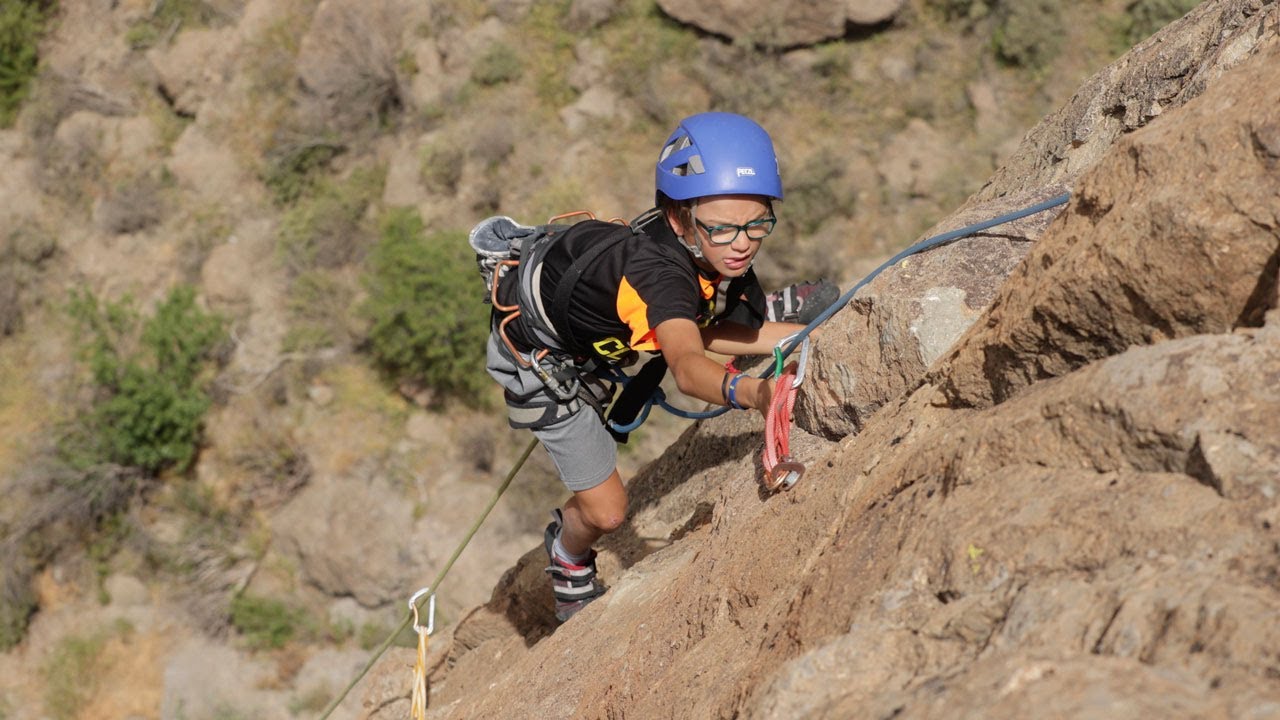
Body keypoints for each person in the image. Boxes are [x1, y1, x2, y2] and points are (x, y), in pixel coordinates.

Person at [478, 111, 837, 622]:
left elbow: (689, 331)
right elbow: (688, 367)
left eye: (758, 224)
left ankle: (758, 314)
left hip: (623, 315)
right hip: (542, 355)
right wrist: (758, 394)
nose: (742, 243)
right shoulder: (660, 277)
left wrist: (819, 333)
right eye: (724, 229)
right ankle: (567, 556)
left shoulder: (708, 245)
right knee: (607, 512)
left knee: (704, 303)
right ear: (678, 218)